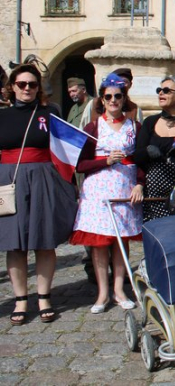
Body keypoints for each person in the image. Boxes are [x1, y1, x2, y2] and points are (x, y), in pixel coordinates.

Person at [0, 64, 78, 325]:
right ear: (12, 87)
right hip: (10, 180)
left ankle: (44, 296)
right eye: (21, 84)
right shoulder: (2, 116)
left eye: (32, 85)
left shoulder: (49, 113)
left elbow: (66, 147)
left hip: (44, 179)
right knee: (15, 243)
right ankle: (21, 299)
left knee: (44, 240)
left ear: (38, 88)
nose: (27, 89)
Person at [71, 73, 144, 314]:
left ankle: (119, 289)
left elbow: (142, 160)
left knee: (121, 241)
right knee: (100, 243)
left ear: (124, 99)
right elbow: (81, 164)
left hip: (125, 187)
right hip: (99, 191)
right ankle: (102, 293)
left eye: (118, 96)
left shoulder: (135, 126)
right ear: (102, 99)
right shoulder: (93, 127)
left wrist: (140, 184)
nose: (113, 100)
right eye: (108, 96)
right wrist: (105, 162)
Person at [133, 76, 175, 221]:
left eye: (166, 90)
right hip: (155, 192)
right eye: (159, 90)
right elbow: (136, 156)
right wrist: (148, 151)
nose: (160, 93)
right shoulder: (150, 122)